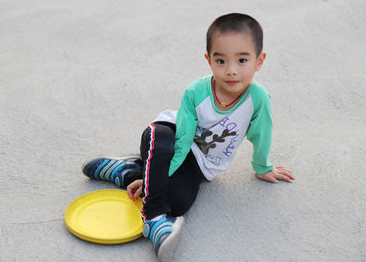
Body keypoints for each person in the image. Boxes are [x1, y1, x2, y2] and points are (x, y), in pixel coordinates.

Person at [81, 13, 294, 261]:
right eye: (221, 61)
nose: (231, 71)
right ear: (209, 60)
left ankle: (129, 172)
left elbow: (261, 134)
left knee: (180, 203)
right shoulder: (196, 91)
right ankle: (154, 218)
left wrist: (262, 167)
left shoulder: (258, 99)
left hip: (200, 165)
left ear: (259, 61)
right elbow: (182, 141)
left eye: (242, 60)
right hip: (173, 138)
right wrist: (159, 183)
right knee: (159, 140)